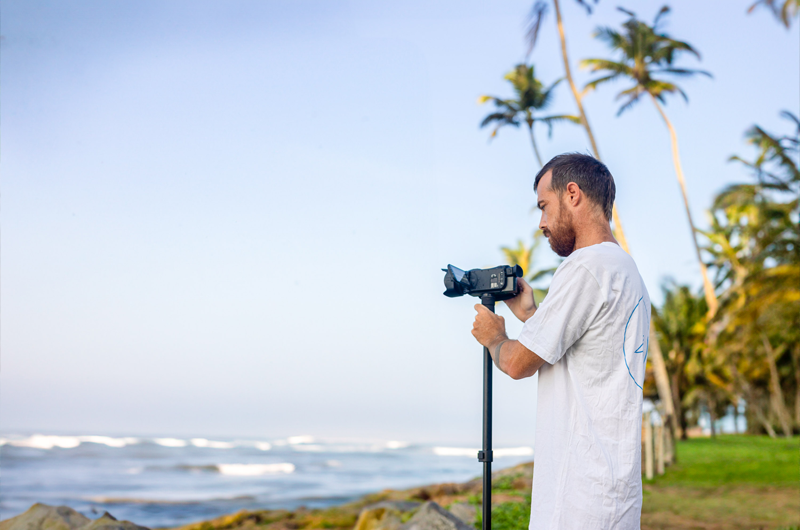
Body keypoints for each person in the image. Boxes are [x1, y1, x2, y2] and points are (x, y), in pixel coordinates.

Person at [471, 153, 649, 530]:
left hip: (578, 499)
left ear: (572, 194)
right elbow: (582, 357)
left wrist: (495, 337)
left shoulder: (585, 266)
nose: (541, 223)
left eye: (543, 206)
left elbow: (517, 363)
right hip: (611, 492)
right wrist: (530, 316)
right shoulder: (623, 269)